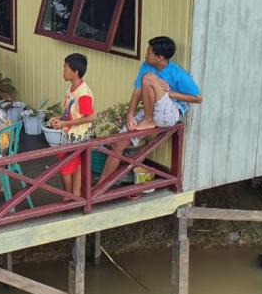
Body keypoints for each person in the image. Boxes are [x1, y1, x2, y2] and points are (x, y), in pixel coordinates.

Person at [100, 36, 202, 184]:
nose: (146, 55)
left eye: (149, 53)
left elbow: (198, 98)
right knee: (117, 144)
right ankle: (101, 186)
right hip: (152, 110)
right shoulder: (146, 65)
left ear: (160, 57)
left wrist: (170, 93)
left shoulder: (178, 73)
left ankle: (148, 120)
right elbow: (137, 91)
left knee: (149, 78)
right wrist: (130, 114)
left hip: (171, 113)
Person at [48, 53, 94, 198]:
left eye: (66, 68)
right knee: (76, 164)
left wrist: (65, 123)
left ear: (76, 72)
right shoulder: (71, 89)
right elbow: (71, 112)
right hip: (70, 132)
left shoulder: (83, 93)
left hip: (77, 136)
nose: (63, 71)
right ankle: (75, 193)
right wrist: (60, 119)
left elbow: (90, 117)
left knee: (65, 167)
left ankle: (67, 196)